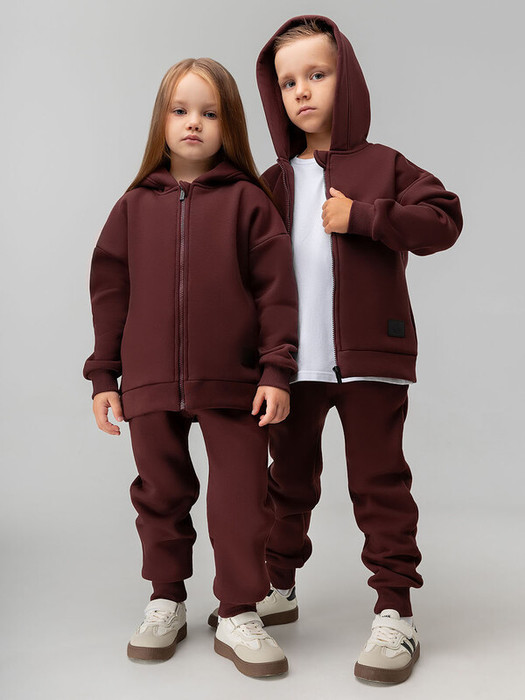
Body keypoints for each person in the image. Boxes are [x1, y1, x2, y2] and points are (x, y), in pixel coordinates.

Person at [212, 15, 463, 684]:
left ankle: (395, 610)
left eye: (316, 74)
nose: (301, 91)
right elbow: (244, 277)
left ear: (344, 78)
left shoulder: (384, 165)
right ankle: (278, 586)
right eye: (287, 81)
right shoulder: (268, 184)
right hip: (290, 367)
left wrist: (366, 216)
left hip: (371, 361)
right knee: (286, 483)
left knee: (378, 483)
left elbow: (443, 220)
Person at [83, 57, 298, 678]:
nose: (194, 123)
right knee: (159, 494)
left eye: (210, 112)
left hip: (235, 381)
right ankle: (166, 600)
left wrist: (276, 371)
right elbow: (109, 293)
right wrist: (105, 377)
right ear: (162, 120)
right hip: (149, 381)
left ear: (230, 125)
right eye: (180, 111)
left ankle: (238, 611)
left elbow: (277, 295)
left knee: (242, 498)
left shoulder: (249, 203)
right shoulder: (132, 207)